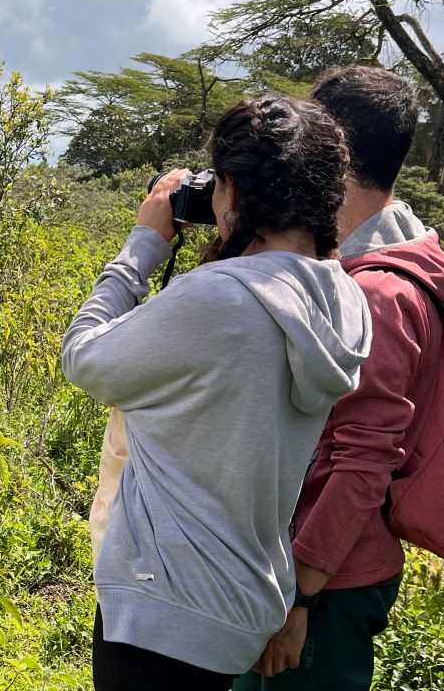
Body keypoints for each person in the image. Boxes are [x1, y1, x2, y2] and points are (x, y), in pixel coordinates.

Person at [62, 95, 373, 690]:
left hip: (163, 608)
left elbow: (83, 357)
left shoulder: (222, 298)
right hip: (242, 603)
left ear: (232, 192)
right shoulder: (345, 302)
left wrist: (144, 245)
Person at [234, 66, 444, 691]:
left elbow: (364, 462)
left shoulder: (379, 293)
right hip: (302, 566)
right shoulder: (380, 261)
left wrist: (300, 597)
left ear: (333, 146)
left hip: (324, 580)